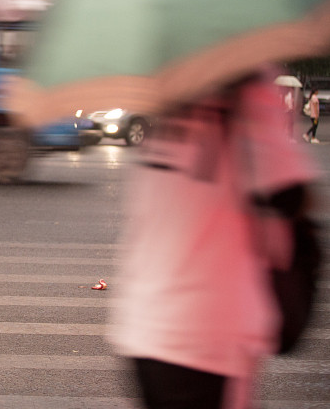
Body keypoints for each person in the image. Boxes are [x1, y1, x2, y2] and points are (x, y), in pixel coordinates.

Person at [109, 68, 317, 409]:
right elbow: (290, 194)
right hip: (212, 333)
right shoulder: (249, 88)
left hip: (143, 326)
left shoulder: (162, 92)